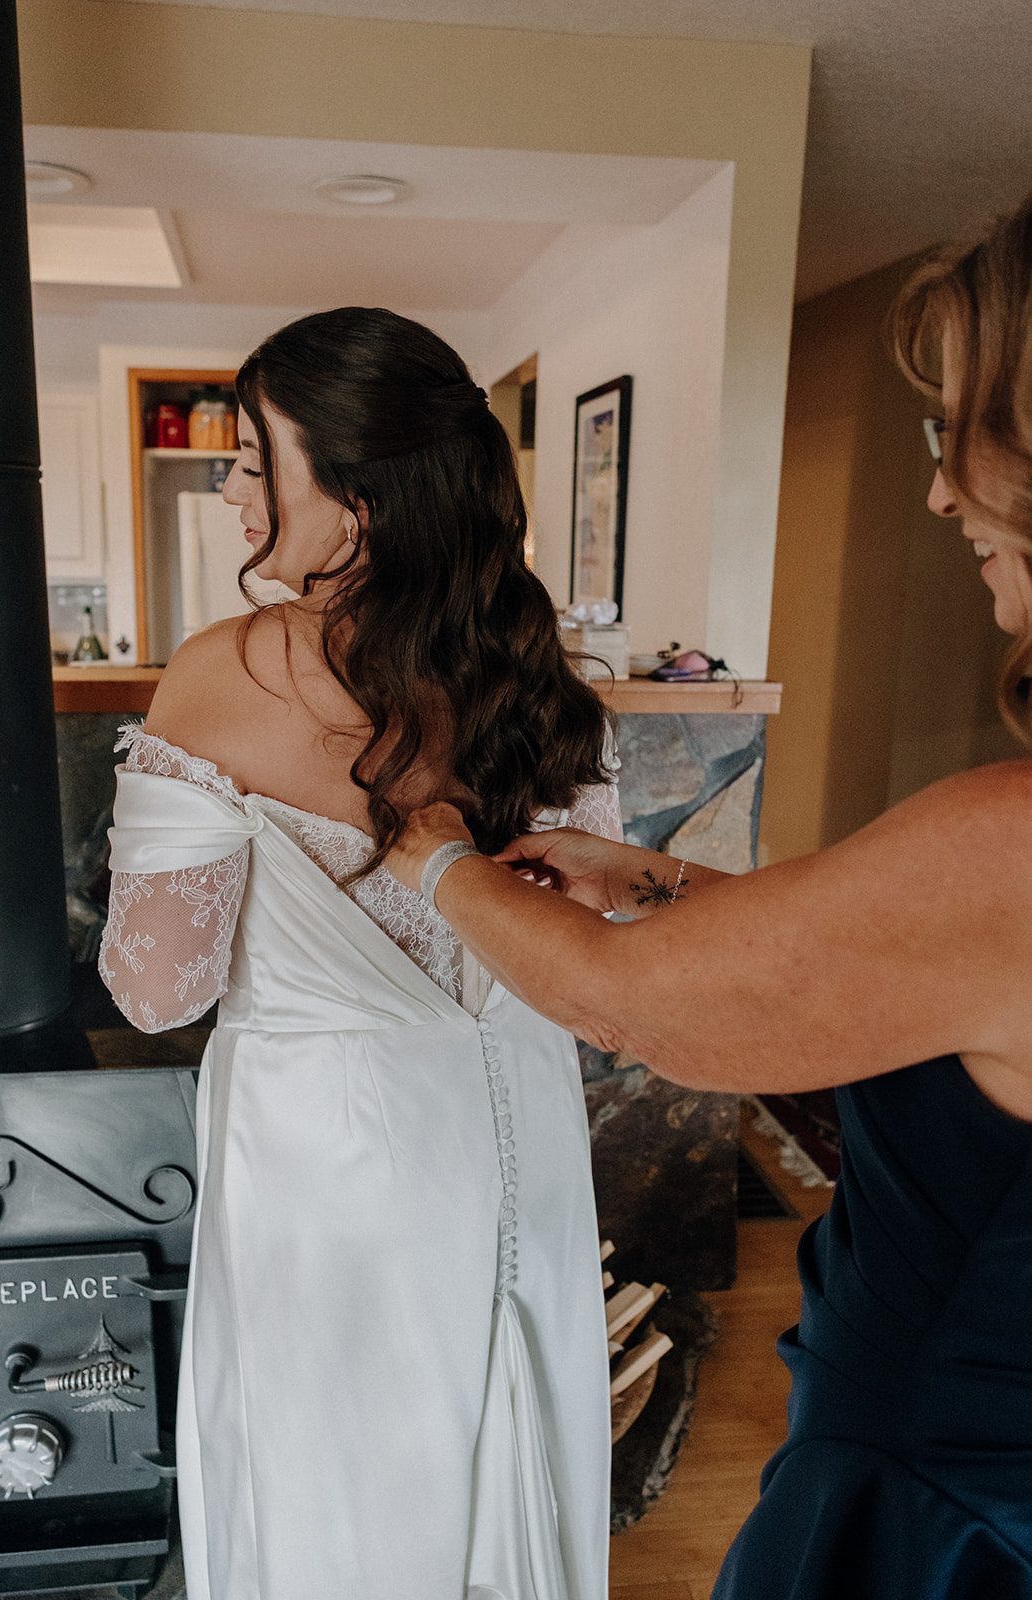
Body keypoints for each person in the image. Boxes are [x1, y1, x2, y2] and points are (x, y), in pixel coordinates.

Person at [387, 194, 1032, 1598]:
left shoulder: (1017, 844)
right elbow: (915, 980)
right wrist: (662, 879)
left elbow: (643, 1011)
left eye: (960, 434)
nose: (936, 491)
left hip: (948, 1503)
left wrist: (427, 849)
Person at [98, 307, 624, 1600]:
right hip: (524, 1152)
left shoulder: (221, 678)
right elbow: (594, 960)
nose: (230, 489)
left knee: (334, 1501)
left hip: (329, 1179)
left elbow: (156, 991)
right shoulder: (533, 677)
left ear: (362, 501)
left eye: (252, 458)